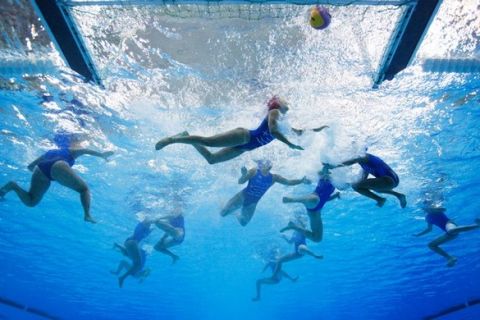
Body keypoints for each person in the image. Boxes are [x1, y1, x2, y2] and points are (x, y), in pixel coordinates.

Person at [155, 96, 328, 164]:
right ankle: (171, 140)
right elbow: (274, 131)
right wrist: (289, 144)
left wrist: (317, 129)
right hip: (244, 137)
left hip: (246, 147)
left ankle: (185, 136)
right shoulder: (274, 112)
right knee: (209, 141)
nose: (288, 103)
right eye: (285, 101)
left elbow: (298, 132)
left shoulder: (285, 124)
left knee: (212, 159)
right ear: (278, 104)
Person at [0, 134, 113, 223]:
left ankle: (12, 186)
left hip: (40, 169)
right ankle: (87, 215)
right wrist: (102, 155)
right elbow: (84, 150)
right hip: (58, 165)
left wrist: (42, 176)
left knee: (31, 201)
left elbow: (30, 167)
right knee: (84, 189)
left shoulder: (50, 152)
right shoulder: (70, 150)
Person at [221, 160, 311, 226]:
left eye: (266, 165)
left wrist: (301, 181)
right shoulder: (254, 171)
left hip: (252, 203)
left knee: (243, 223)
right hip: (242, 196)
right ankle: (223, 203)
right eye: (261, 165)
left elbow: (288, 182)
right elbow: (240, 182)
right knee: (223, 213)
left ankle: (236, 213)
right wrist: (243, 175)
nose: (262, 166)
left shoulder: (274, 178)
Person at [280, 165, 339, 242]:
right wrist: (326, 169)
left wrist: (335, 196)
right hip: (314, 199)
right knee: (314, 200)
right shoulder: (323, 175)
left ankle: (294, 226)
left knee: (317, 238)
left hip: (315, 213)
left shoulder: (335, 180)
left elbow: (325, 198)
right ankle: (292, 199)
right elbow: (321, 171)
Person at [329, 152, 406, 208]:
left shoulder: (365, 156)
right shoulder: (364, 166)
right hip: (391, 181)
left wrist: (332, 166)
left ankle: (380, 199)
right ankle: (399, 195)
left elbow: (351, 161)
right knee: (371, 188)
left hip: (388, 180)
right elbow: (362, 182)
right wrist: (347, 184)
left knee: (357, 186)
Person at [414, 205, 480, 267]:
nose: (425, 209)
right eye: (424, 209)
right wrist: (418, 235)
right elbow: (429, 229)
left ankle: (477, 226)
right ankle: (450, 258)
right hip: (449, 233)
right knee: (431, 245)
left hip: (450, 224)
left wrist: (433, 209)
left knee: (451, 230)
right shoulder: (427, 218)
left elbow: (444, 209)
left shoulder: (435, 209)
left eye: (426, 207)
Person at [114, 219, 154, 287]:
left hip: (131, 243)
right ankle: (122, 278)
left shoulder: (139, 267)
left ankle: (118, 246)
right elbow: (147, 270)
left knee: (130, 257)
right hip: (133, 243)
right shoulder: (143, 254)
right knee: (135, 262)